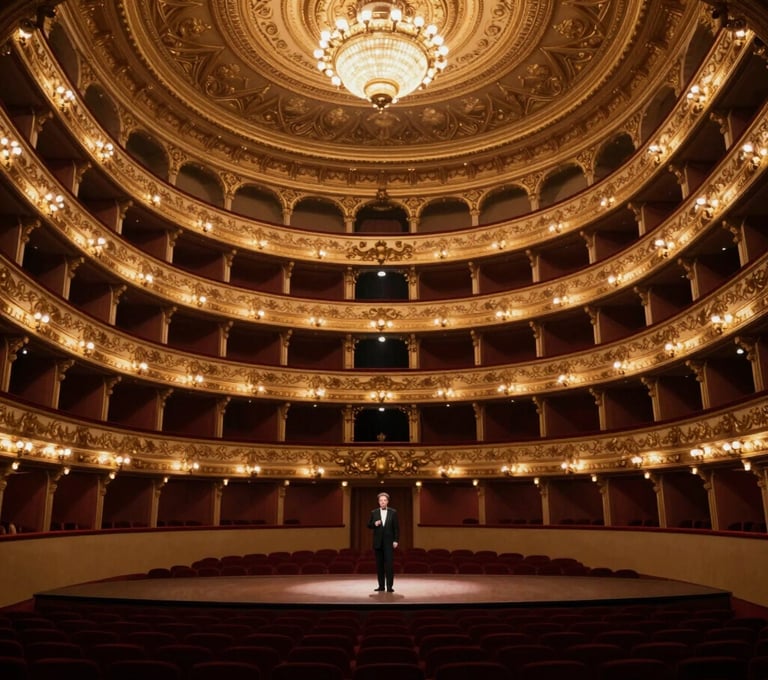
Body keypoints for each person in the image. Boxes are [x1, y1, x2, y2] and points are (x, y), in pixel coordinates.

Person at [367, 491, 399, 592]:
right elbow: (368, 525)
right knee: (379, 565)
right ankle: (381, 586)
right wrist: (374, 524)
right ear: (378, 502)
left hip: (389, 543)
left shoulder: (393, 512)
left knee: (389, 565)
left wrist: (396, 540)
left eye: (385, 500)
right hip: (378, 542)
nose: (383, 502)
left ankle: (389, 586)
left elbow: (396, 528)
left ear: (387, 502)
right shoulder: (374, 512)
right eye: (381, 500)